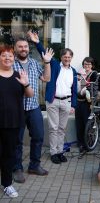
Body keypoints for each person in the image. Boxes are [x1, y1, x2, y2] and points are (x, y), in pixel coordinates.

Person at [30, 32, 78, 164]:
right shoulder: (56, 65)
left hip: (66, 102)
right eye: (65, 56)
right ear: (61, 57)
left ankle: (60, 151)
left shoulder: (73, 71)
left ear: (71, 58)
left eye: (69, 56)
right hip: (53, 100)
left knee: (62, 128)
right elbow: (45, 54)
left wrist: (73, 105)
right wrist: (37, 42)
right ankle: (53, 152)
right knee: (53, 128)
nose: (67, 58)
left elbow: (74, 89)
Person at [13, 34, 54, 183]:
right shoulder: (10, 64)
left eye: (25, 47)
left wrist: (47, 62)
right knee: (16, 140)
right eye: (20, 47)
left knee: (38, 137)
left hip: (34, 107)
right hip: (16, 109)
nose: (23, 49)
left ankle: (34, 165)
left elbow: (46, 78)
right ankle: (16, 168)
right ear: (15, 49)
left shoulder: (34, 63)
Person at [0, 44, 34, 198]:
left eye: (10, 55)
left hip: (13, 122)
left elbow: (30, 95)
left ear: (13, 59)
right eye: (3, 55)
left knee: (9, 154)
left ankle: (7, 184)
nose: (7, 58)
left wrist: (26, 83)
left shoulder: (19, 75)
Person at [75, 57, 98, 157]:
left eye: (89, 64)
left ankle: (87, 144)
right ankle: (80, 143)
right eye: (85, 64)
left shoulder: (94, 74)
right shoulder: (81, 74)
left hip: (87, 103)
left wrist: (83, 87)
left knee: (86, 123)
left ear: (92, 65)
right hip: (78, 101)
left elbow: (91, 87)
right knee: (78, 123)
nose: (87, 66)